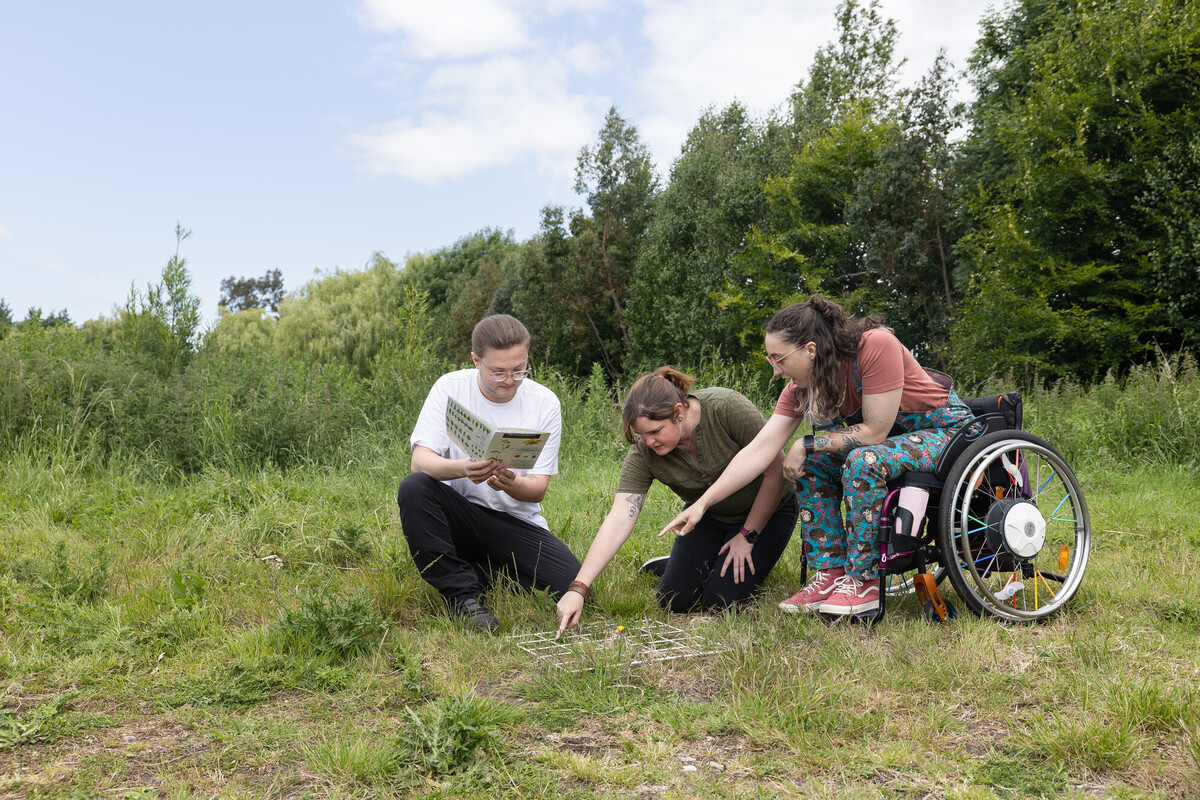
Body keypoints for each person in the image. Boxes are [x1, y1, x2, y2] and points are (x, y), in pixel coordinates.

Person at [661, 296, 972, 616]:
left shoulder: (876, 345)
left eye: (778, 359)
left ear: (810, 349)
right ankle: (831, 573)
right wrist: (703, 503)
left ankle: (863, 581)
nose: (776, 372)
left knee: (860, 461)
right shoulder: (801, 388)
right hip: (890, 446)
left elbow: (876, 431)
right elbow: (758, 449)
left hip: (945, 434)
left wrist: (806, 444)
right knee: (812, 465)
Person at [556, 367, 797, 636]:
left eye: (656, 431)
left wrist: (748, 535)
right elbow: (620, 517)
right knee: (675, 600)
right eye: (641, 434)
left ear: (679, 412)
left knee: (723, 602)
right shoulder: (644, 452)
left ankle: (711, 560)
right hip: (709, 517)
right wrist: (579, 588)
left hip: (766, 513)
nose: (649, 441)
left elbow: (777, 472)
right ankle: (685, 561)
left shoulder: (724, 406)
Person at [398, 314, 581, 632]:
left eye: (519, 370)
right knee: (414, 487)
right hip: (461, 517)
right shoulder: (449, 387)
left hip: (516, 522)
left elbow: (537, 489)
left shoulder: (545, 402)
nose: (509, 380)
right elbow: (421, 461)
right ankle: (462, 598)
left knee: (567, 582)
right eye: (498, 372)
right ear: (475, 360)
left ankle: (475, 569)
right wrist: (463, 469)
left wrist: (511, 483)